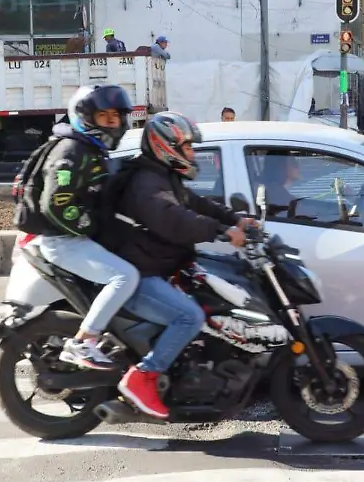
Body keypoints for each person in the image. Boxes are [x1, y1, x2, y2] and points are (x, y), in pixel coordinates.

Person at [107, 112, 255, 419]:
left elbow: (196, 204)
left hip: (157, 265)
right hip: (140, 273)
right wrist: (223, 232)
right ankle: (143, 377)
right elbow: (176, 220)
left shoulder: (163, 176)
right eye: (186, 147)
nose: (192, 153)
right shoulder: (146, 183)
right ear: (166, 146)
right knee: (189, 316)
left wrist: (235, 219)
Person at [29, 85, 141, 370]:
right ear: (86, 118)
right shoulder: (71, 151)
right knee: (124, 277)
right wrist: (93, 224)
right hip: (64, 241)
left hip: (73, 237)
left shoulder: (90, 150)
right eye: (105, 117)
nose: (113, 124)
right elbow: (56, 204)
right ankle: (84, 341)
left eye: (116, 117)